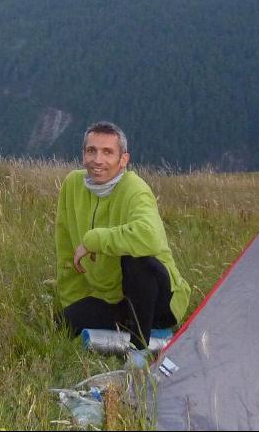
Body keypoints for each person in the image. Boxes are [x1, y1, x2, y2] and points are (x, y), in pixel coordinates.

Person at [55, 121, 190, 349]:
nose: (98, 160)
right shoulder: (72, 185)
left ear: (123, 160)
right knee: (63, 324)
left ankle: (139, 350)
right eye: (91, 151)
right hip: (115, 299)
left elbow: (150, 237)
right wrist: (75, 307)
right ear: (83, 155)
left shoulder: (135, 188)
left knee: (136, 258)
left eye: (108, 152)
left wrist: (93, 240)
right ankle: (130, 332)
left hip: (158, 300)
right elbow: (67, 253)